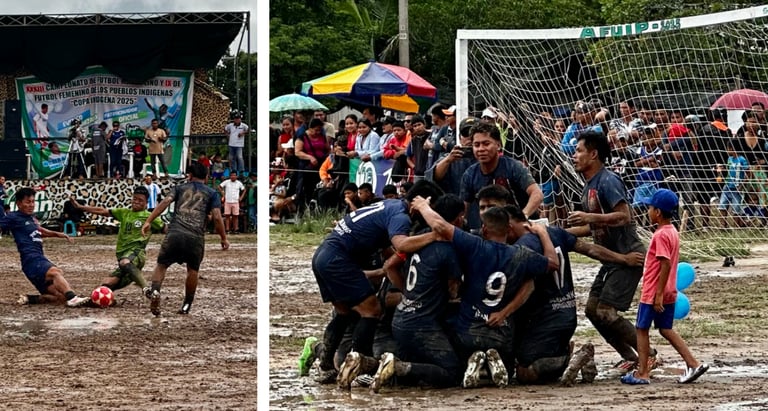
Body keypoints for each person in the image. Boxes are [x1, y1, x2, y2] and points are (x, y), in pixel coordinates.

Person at [409, 198, 558, 388]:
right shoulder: (522, 254)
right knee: (508, 370)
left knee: (455, 357)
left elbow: (441, 226)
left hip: (468, 332)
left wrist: (423, 206)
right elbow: (553, 263)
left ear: (485, 230)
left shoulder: (475, 245)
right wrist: (543, 233)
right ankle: (490, 367)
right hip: (501, 333)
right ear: (509, 230)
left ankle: (476, 364)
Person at [310, 180, 445, 388]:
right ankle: (360, 365)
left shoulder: (390, 205)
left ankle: (326, 365)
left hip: (323, 255)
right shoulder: (401, 216)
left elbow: (389, 251)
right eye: (430, 211)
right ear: (420, 203)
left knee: (344, 312)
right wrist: (436, 235)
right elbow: (401, 244)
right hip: (338, 260)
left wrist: (398, 263)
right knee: (372, 310)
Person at [567, 130, 652, 372]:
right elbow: (591, 227)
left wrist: (590, 217)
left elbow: (624, 216)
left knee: (605, 311)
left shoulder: (608, 180)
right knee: (592, 310)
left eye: (579, 151)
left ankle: (649, 356)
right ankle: (630, 356)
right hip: (612, 260)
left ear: (593, 154)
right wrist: (557, 233)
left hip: (629, 256)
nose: (574, 156)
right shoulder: (588, 187)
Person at [369, 194, 466, 392]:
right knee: (453, 372)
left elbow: (389, 266)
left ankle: (371, 365)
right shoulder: (448, 248)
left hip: (400, 318)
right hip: (421, 324)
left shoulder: (418, 238)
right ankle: (398, 368)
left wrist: (409, 293)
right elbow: (453, 291)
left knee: (421, 369)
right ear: (458, 219)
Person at [621, 189, 709, 385]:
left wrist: (658, 294)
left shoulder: (660, 235)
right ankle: (693, 363)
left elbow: (665, 263)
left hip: (654, 291)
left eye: (650, 208)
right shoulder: (673, 232)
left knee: (641, 329)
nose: (648, 211)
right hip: (670, 289)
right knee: (665, 329)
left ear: (658, 212)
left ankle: (642, 372)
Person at [141, 162, 229, 316]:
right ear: (206, 177)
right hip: (195, 237)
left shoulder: (179, 188)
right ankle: (187, 305)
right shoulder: (212, 193)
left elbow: (165, 202)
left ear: (189, 175)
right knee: (193, 270)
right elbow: (216, 217)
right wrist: (223, 238)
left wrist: (149, 220)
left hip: (175, 233)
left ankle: (155, 291)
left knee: (162, 265)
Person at [0, 187, 89, 307]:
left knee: (60, 298)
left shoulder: (31, 218)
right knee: (55, 272)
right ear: (19, 204)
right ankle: (73, 298)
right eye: (28, 202)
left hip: (35, 261)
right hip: (31, 260)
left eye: (33, 202)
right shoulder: (13, 217)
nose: (31, 205)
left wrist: (59, 234)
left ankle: (30, 299)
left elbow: (40, 230)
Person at [70, 186, 165, 295]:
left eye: (140, 200)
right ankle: (116, 294)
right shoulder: (124, 213)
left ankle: (146, 289)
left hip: (136, 254)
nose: (136, 202)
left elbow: (165, 228)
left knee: (125, 262)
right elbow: (102, 211)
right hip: (124, 260)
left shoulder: (150, 217)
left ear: (146, 203)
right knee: (105, 287)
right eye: (135, 199)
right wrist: (80, 207)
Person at [460, 121, 544, 230]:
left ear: (498, 145)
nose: (481, 149)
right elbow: (462, 212)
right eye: (476, 145)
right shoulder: (470, 174)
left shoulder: (513, 167)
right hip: (492, 231)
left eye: (486, 144)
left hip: (523, 229)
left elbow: (537, 194)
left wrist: (523, 216)